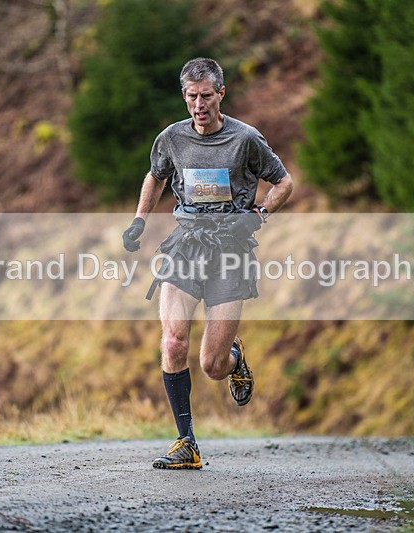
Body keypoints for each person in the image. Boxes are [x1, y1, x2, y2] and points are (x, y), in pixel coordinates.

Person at [122, 57, 293, 469]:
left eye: (205, 96)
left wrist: (260, 214)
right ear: (184, 96)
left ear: (221, 93)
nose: (198, 105)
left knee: (211, 365)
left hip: (230, 253)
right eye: (191, 97)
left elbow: (284, 182)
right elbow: (156, 175)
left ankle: (233, 357)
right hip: (185, 245)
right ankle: (187, 443)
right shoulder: (171, 138)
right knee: (173, 340)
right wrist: (139, 220)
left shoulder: (246, 138)